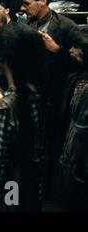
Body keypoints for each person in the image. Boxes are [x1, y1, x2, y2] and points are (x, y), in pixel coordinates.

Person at [0, 23, 47, 212]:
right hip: (29, 191)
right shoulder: (40, 96)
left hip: (6, 194)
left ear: (3, 58)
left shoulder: (1, 110)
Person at [20, 0, 80, 191]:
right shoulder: (28, 24)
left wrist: (56, 49)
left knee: (51, 144)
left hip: (56, 97)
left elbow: (83, 62)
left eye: (27, 4)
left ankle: (45, 191)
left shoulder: (65, 26)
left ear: (43, 0)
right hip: (30, 96)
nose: (23, 8)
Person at [53, 29, 88, 211]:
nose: (71, 51)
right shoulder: (77, 76)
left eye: (76, 47)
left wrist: (74, 158)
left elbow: (83, 129)